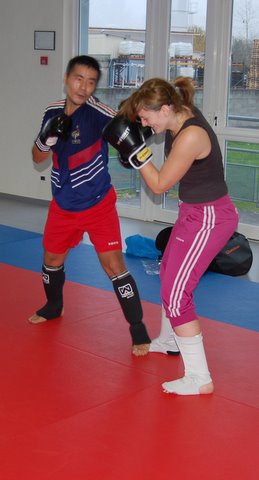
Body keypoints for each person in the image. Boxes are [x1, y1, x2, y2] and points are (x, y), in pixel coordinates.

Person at [103, 76, 239, 394]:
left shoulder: (191, 135)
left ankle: (199, 377)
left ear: (165, 108)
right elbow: (154, 127)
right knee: (168, 274)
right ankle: (169, 342)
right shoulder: (178, 114)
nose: (144, 124)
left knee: (178, 296)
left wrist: (136, 152)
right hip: (193, 213)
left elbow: (160, 184)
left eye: (146, 118)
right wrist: (142, 132)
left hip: (209, 218)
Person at [29, 55, 151, 356]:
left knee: (114, 266)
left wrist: (132, 144)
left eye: (91, 81)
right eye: (78, 78)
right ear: (67, 77)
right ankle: (54, 306)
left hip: (98, 205)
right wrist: (46, 138)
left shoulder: (98, 113)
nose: (83, 87)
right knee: (51, 260)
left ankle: (138, 329)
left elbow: (126, 135)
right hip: (62, 205)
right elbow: (37, 157)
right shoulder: (52, 111)